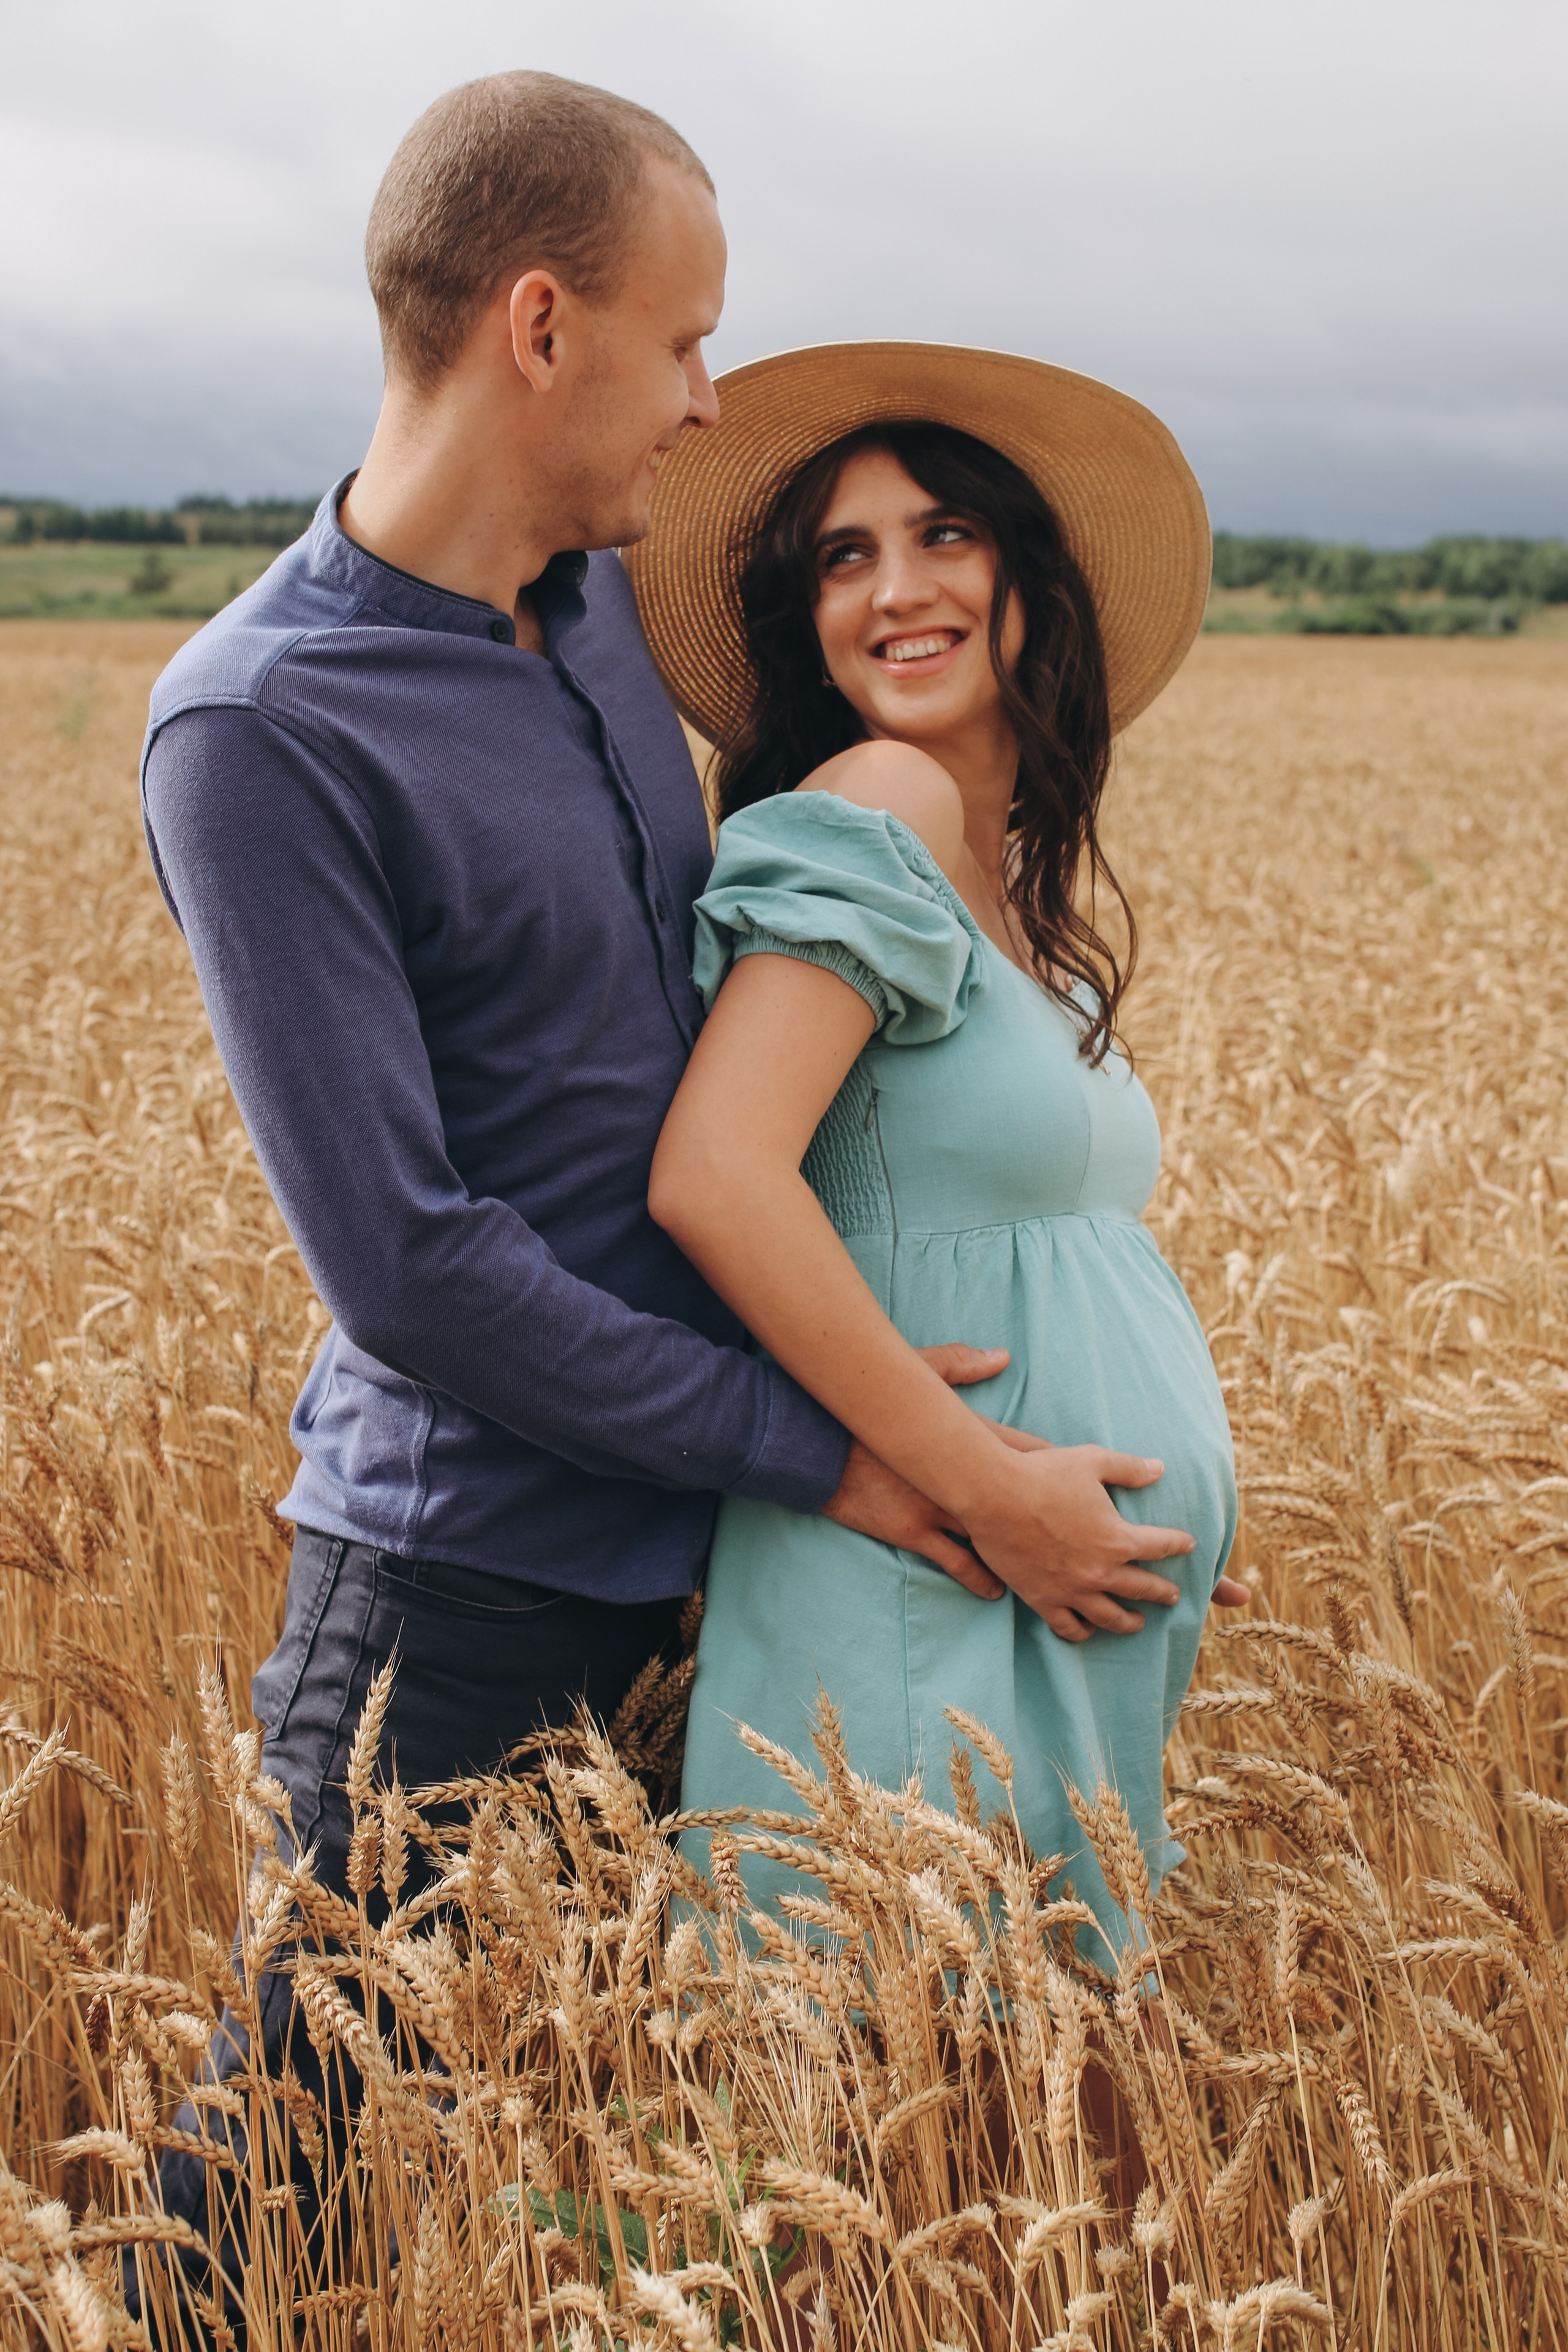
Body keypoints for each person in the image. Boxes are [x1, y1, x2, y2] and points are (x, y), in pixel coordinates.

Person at [131, 78, 1228, 2325]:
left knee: (641, 2191)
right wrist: (852, 1453)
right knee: (292, 2186)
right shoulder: (261, 726)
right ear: (542, 323)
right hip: (470, 1587)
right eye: (688, 340)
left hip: (728, 1574)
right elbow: (413, 1268)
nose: (713, 397)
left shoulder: (607, 616)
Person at [637, 349, 1243, 1962]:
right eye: (845, 556)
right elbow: (717, 1175)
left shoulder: (1002, 888)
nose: (898, 588)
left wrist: (1161, 1513)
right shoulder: (881, 800)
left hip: (1034, 1586)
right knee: (922, 2142)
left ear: (1023, 571)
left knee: (1028, 2167)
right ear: (804, 621)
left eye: (944, 534)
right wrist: (997, 1489)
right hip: (931, 1598)